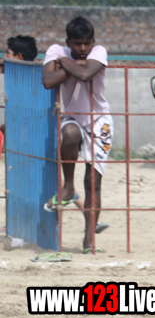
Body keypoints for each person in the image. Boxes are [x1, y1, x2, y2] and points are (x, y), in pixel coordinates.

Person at [42, 17, 112, 253]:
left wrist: (64, 63)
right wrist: (74, 64)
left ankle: (89, 240)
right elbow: (47, 81)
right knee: (69, 134)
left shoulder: (99, 51)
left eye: (87, 43)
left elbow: (85, 75)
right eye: (77, 43)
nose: (83, 48)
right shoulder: (55, 50)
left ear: (93, 41)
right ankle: (68, 186)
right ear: (67, 42)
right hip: (72, 116)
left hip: (100, 120)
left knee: (93, 183)